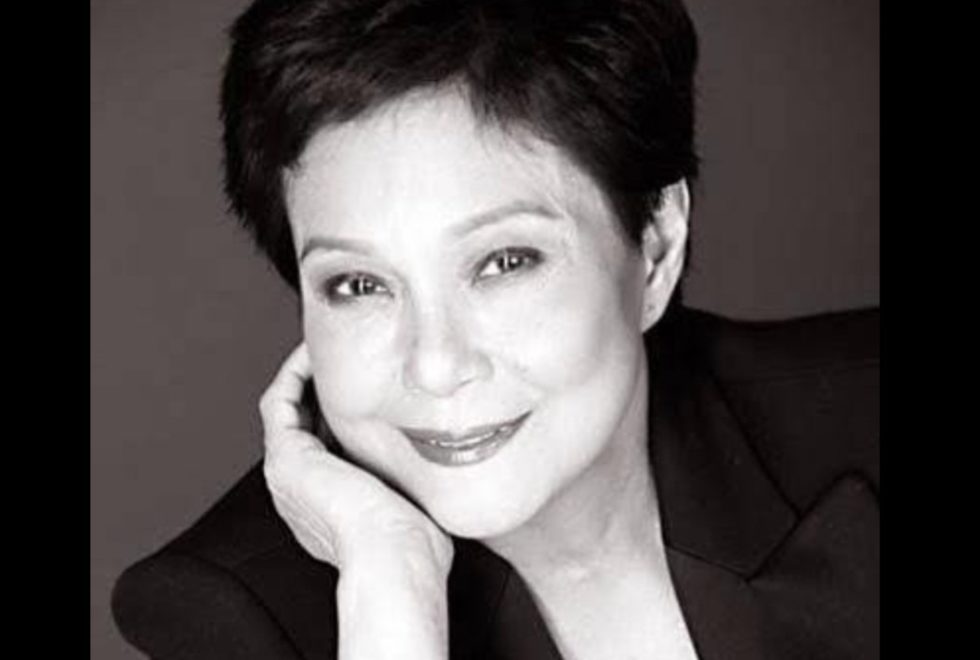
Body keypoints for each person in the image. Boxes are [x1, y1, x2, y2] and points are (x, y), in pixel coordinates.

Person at [112, 0, 879, 658]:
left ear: (655, 247)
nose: (436, 365)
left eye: (505, 262)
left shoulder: (860, 419)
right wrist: (393, 588)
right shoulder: (234, 617)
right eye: (359, 285)